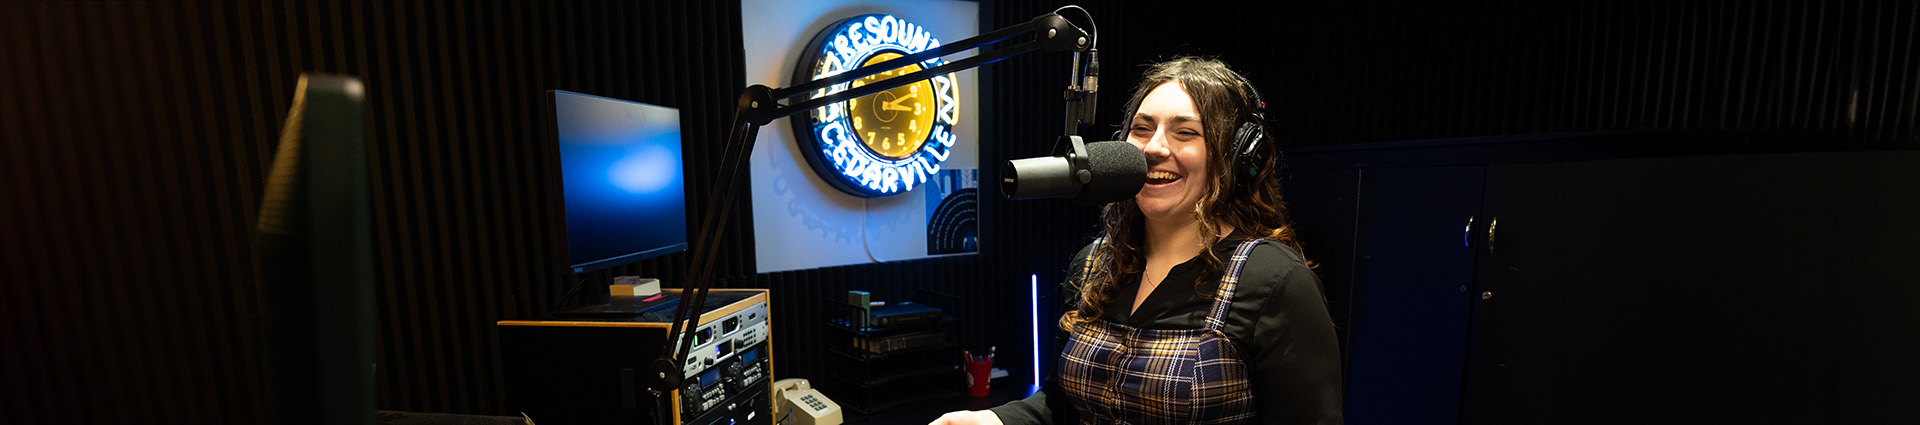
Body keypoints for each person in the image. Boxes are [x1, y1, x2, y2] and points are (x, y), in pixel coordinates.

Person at [930, 57, 1343, 425]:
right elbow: (1063, 405)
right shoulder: (1094, 264)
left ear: (1236, 157)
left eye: (1185, 133)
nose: (1154, 148)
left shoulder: (1275, 280)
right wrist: (993, 420)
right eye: (1142, 129)